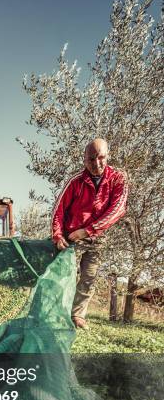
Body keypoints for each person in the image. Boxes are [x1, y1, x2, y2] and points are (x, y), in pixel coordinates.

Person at [52, 138, 128, 329]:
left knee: (89, 277)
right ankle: (55, 313)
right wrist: (57, 234)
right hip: (71, 237)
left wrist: (87, 231)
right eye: (91, 159)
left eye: (101, 158)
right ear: (84, 160)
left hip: (96, 238)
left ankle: (78, 315)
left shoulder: (118, 179)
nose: (96, 163)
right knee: (64, 275)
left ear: (107, 155)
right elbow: (58, 209)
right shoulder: (75, 181)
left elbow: (117, 210)